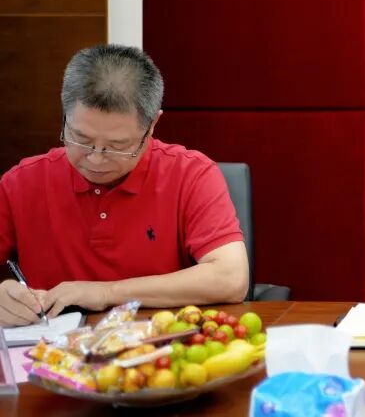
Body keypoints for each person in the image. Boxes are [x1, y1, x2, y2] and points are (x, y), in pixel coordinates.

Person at [0, 44, 248, 326]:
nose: (96, 158)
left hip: (157, 345)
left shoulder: (191, 174)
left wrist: (107, 293)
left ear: (152, 125)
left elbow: (231, 278)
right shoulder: (21, 182)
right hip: (48, 348)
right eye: (80, 139)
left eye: (118, 146)